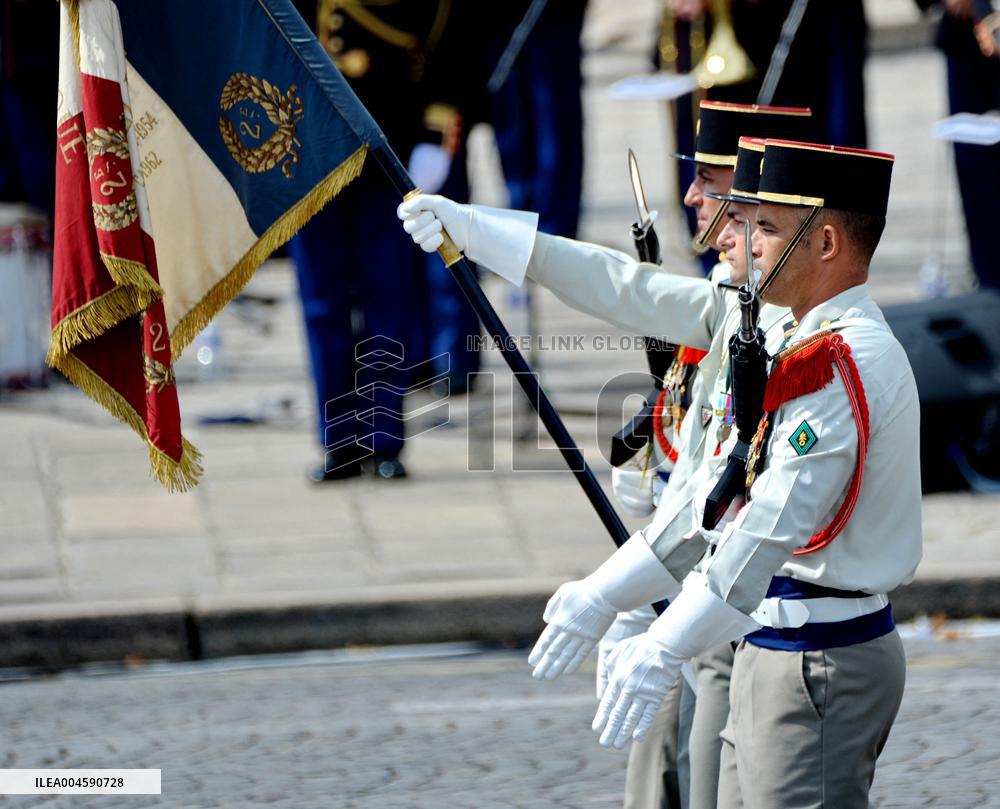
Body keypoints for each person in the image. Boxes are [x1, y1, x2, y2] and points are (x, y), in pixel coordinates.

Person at [399, 102, 810, 809]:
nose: (690, 197)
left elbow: (724, 497)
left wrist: (614, 599)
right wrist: (478, 230)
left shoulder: (798, 336)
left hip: (752, 616)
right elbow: (622, 288)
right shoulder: (726, 302)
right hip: (693, 590)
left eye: (709, 182)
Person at [290, 0, 463, 481]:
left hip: (386, 150)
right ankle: (339, 441)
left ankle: (385, 435)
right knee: (323, 304)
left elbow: (447, 40)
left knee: (388, 298)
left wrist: (435, 131)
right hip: (308, 157)